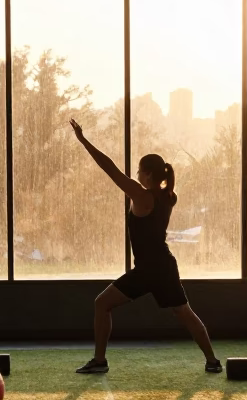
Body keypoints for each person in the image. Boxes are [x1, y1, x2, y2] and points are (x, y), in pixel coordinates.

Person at [69, 118, 222, 375]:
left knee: (101, 304)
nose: (136, 175)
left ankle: (99, 361)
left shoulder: (142, 196)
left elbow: (110, 169)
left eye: (139, 171)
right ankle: (213, 361)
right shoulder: (169, 196)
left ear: (148, 174)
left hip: (150, 269)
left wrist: (84, 141)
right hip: (162, 266)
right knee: (184, 312)